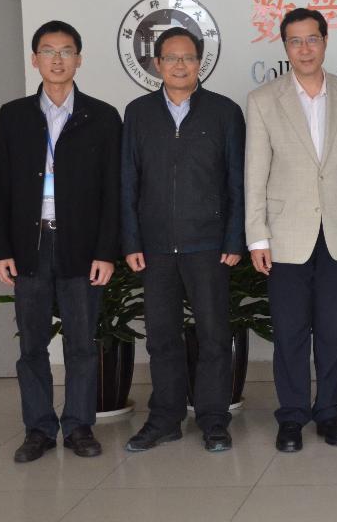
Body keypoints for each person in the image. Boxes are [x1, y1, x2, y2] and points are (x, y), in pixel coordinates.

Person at [0, 20, 121, 463]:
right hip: (30, 244)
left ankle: (79, 426)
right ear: (35, 59)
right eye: (48, 51)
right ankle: (39, 429)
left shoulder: (102, 116)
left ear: (79, 59)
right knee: (32, 344)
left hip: (80, 246)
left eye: (66, 51)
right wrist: (0, 249)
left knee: (81, 343)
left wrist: (106, 251)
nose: (57, 59)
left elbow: (113, 191)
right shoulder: (14, 116)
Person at [245, 8, 337, 452]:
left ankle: (329, 413)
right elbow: (255, 173)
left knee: (332, 330)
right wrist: (257, 235)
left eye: (312, 39)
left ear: (325, 41)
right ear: (285, 47)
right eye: (295, 41)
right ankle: (292, 416)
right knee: (290, 332)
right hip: (285, 236)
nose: (305, 48)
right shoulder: (263, 99)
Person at [120, 28, 246, 453]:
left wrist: (234, 238)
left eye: (188, 57)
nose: (180, 65)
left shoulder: (224, 112)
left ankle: (214, 420)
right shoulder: (138, 113)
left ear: (199, 63)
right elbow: (128, 180)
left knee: (213, 336)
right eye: (171, 58)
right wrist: (131, 241)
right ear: (157, 64)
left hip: (208, 244)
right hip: (155, 246)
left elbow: (237, 180)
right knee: (161, 337)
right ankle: (165, 419)